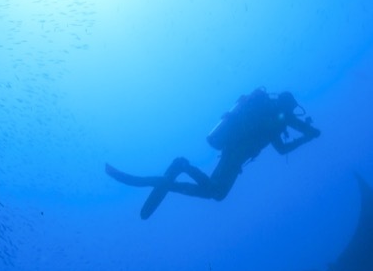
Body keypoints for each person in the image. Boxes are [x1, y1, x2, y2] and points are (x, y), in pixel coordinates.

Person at [105, 88, 321, 219]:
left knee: (214, 192)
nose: (291, 114)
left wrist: (307, 133)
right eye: (291, 109)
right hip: (235, 157)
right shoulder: (275, 119)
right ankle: (180, 168)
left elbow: (292, 134)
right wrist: (306, 137)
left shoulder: (267, 111)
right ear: (287, 106)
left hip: (231, 151)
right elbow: (283, 148)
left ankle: (180, 168)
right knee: (216, 193)